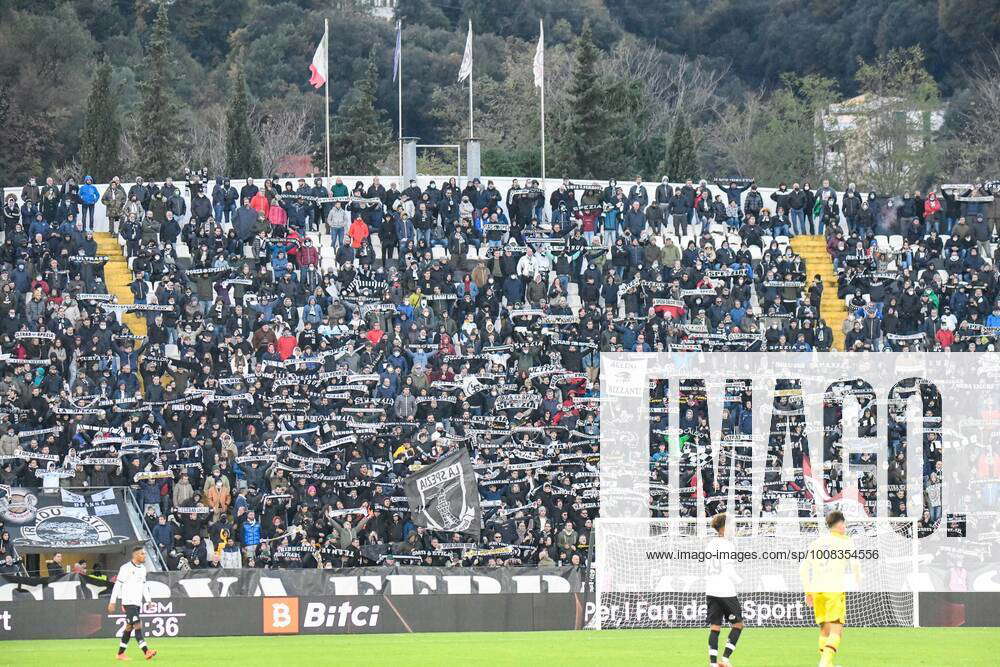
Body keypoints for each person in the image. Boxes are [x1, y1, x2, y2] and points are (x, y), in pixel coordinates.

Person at [801, 511, 859, 667]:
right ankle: (825, 663)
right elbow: (855, 564)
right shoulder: (845, 541)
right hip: (834, 589)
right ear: (839, 524)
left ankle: (828, 664)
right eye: (844, 524)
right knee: (836, 631)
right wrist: (857, 579)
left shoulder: (817, 542)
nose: (845, 527)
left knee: (825, 630)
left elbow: (804, 569)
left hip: (817, 590)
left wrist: (808, 591)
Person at [706, 513, 743, 667]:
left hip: (711, 588)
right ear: (723, 528)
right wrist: (739, 581)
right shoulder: (727, 545)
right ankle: (726, 659)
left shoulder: (710, 544)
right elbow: (727, 568)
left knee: (715, 627)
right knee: (738, 625)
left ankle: (713, 664)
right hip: (725, 589)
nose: (733, 528)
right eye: (731, 525)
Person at [108, 546, 157, 661]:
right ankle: (146, 651)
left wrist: (148, 600)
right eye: (142, 554)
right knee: (137, 625)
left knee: (129, 627)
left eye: (144, 554)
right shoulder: (125, 568)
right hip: (128, 602)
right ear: (135, 555)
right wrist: (112, 602)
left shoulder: (143, 569)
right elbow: (117, 585)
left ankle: (120, 654)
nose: (144, 556)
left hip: (137, 602)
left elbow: (144, 585)